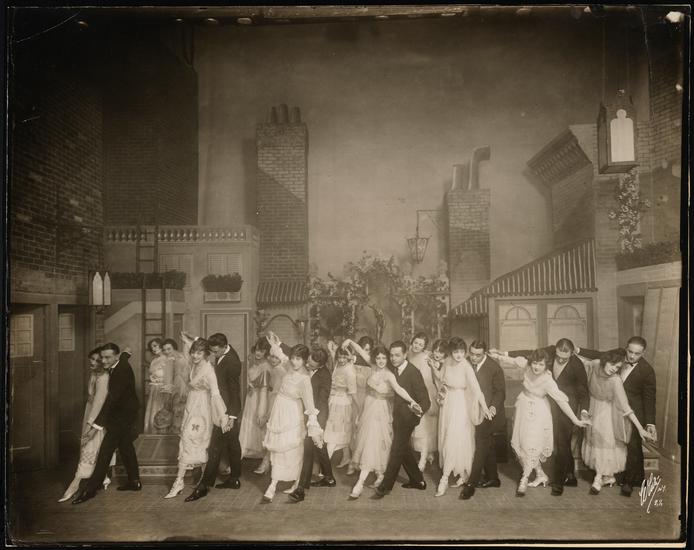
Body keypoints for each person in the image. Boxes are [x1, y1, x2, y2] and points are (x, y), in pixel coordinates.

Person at [489, 348, 590, 497]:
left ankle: (524, 479)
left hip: (539, 412)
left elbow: (561, 401)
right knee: (523, 443)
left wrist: (575, 420)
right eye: (535, 363)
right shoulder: (527, 366)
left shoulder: (548, 381)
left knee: (532, 443)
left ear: (546, 365)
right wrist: (497, 355)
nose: (536, 367)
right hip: (523, 407)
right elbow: (513, 361)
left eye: (541, 364)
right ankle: (541, 474)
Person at [576, 336, 657, 497]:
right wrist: (578, 350)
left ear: (643, 353)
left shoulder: (647, 371)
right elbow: (598, 355)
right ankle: (611, 476)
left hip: (631, 410)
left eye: (637, 354)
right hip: (606, 406)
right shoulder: (616, 357)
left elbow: (649, 398)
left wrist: (649, 423)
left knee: (633, 446)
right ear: (626, 348)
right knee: (606, 440)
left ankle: (629, 482)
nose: (632, 356)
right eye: (630, 351)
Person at [349, 344, 423, 499]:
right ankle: (380, 474)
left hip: (381, 412)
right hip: (368, 409)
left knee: (375, 442)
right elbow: (362, 351)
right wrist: (350, 341)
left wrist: (412, 401)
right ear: (375, 359)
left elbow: (400, 390)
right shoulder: (373, 367)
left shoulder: (389, 375)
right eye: (378, 358)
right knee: (370, 442)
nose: (381, 361)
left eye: (384, 358)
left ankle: (360, 483)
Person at [72, 343, 141, 504]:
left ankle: (90, 489)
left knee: (105, 450)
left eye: (107, 357)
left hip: (124, 415)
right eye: (102, 357)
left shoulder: (120, 373)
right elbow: (125, 356)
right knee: (125, 446)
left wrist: (94, 428)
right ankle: (135, 481)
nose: (103, 361)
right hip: (121, 412)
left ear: (115, 357)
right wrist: (127, 352)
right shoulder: (121, 360)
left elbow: (110, 402)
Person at [164, 335, 231, 499]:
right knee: (188, 441)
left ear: (206, 354)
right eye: (193, 352)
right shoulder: (194, 364)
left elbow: (215, 394)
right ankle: (186, 482)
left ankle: (185, 482)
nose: (195, 355)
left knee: (195, 442)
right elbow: (189, 350)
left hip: (202, 411)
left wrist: (223, 417)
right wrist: (189, 341)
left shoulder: (209, 371)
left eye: (199, 353)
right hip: (191, 407)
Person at [261, 342, 323, 502]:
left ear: (305, 360)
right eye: (293, 358)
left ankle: (290, 483)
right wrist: (276, 343)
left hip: (292, 415)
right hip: (279, 412)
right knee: (278, 449)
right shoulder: (289, 367)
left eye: (298, 359)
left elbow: (310, 405)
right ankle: (273, 483)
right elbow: (282, 356)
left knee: (291, 451)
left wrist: (314, 427)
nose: (294, 362)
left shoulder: (305, 379)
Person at [186, 332, 243, 500]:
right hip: (218, 406)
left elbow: (235, 391)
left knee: (214, 448)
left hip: (225, 410)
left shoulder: (232, 362)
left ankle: (204, 486)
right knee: (233, 444)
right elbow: (207, 346)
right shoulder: (221, 350)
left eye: (216, 352)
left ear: (225, 347)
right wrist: (194, 339)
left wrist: (231, 416)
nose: (214, 354)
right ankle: (234, 479)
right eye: (212, 351)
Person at [58, 346, 117, 502]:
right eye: (92, 359)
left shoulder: (103, 378)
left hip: (97, 418)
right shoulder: (94, 374)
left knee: (90, 446)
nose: (93, 362)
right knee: (93, 447)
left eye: (97, 360)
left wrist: (91, 425)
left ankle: (75, 484)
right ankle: (104, 477)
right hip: (89, 412)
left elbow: (99, 404)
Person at [434, 337, 491, 497]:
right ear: (451, 352)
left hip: (461, 405)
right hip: (448, 403)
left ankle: (445, 478)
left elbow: (477, 389)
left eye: (461, 352)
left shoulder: (466, 366)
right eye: (455, 352)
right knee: (448, 436)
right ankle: (462, 475)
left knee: (455, 438)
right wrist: (433, 368)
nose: (459, 355)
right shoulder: (447, 362)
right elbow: (441, 379)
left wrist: (485, 407)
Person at [372, 341, 430, 499]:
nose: (393, 358)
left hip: (409, 418)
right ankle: (418, 481)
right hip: (395, 416)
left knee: (397, 449)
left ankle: (385, 486)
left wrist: (416, 413)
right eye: (391, 355)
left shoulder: (413, 372)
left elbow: (425, 400)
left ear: (405, 355)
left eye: (397, 355)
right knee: (404, 449)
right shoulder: (391, 369)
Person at [460, 340, 507, 500]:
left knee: (481, 445)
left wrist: (492, 407)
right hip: (472, 411)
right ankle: (493, 478)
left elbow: (500, 392)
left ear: (485, 353)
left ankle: (471, 484)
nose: (473, 357)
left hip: (489, 414)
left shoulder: (494, 368)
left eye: (478, 355)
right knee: (487, 445)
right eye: (471, 353)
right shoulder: (466, 362)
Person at [288, 346, 336, 502]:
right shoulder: (306, 365)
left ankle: (301, 489)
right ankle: (329, 478)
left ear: (320, 365)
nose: (307, 364)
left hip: (317, 415)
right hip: (304, 412)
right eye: (308, 360)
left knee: (308, 448)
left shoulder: (325, 376)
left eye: (311, 363)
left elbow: (322, 402)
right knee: (319, 446)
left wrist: (315, 423)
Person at [254, 344, 291, 475]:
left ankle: (267, 463)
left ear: (281, 358)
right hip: (274, 401)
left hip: (277, 404)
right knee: (271, 435)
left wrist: (267, 414)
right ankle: (270, 463)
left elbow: (276, 394)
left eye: (276, 357)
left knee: (273, 434)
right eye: (272, 357)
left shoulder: (279, 371)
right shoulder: (275, 369)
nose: (273, 360)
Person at [323, 345, 358, 467]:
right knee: (341, 431)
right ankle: (346, 457)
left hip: (343, 403)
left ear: (349, 357)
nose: (342, 360)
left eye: (344, 357)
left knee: (335, 433)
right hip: (334, 400)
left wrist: (360, 409)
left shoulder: (350, 371)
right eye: (340, 357)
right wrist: (331, 348)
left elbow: (353, 392)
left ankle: (324, 466)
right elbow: (336, 356)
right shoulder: (338, 365)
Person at [408, 332, 438, 471]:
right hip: (412, 393)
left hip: (424, 393)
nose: (417, 346)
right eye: (416, 342)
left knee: (424, 428)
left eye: (420, 344)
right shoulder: (409, 353)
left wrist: (423, 399)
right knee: (417, 427)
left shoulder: (425, 358)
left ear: (424, 347)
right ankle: (427, 453)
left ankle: (423, 457)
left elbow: (426, 381)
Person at [239, 337, 272, 459]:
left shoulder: (266, 367)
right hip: (251, 398)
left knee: (256, 422)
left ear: (266, 352)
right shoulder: (255, 364)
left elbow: (264, 390)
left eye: (262, 351)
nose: (258, 353)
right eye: (257, 350)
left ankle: (256, 450)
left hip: (259, 399)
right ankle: (245, 449)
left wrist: (261, 411)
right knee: (248, 421)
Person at [347, 336, 373, 475]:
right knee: (353, 430)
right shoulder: (352, 362)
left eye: (368, 350)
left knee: (364, 430)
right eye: (364, 349)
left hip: (367, 399)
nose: (365, 352)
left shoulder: (372, 364)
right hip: (354, 397)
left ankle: (362, 460)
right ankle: (352, 461)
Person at [143, 338, 174, 434]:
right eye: (151, 347)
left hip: (163, 390)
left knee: (161, 414)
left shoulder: (168, 359)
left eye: (155, 346)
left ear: (161, 345)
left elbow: (171, 377)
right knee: (152, 413)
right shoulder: (154, 360)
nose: (153, 348)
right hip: (154, 390)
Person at [162, 338, 190, 434]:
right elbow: (168, 378)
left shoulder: (180, 357)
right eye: (164, 350)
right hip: (176, 387)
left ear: (174, 348)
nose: (166, 352)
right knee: (177, 409)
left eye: (169, 349)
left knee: (181, 409)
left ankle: (181, 431)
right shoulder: (169, 359)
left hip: (183, 386)